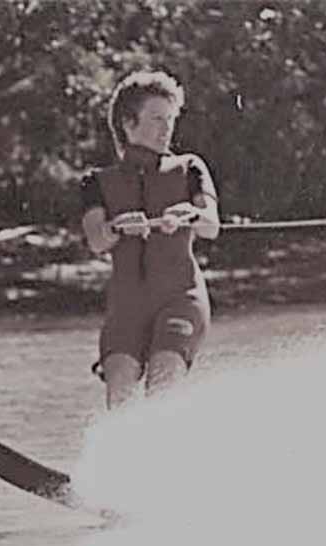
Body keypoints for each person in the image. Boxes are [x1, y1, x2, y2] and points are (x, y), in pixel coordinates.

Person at [80, 70, 220, 409]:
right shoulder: (96, 182)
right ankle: (121, 460)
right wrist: (117, 226)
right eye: (157, 119)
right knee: (120, 388)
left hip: (180, 298)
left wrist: (189, 213)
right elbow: (97, 240)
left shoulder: (190, 168)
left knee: (164, 377)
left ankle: (164, 457)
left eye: (170, 119)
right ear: (129, 124)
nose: (167, 128)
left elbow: (211, 225)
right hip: (127, 307)